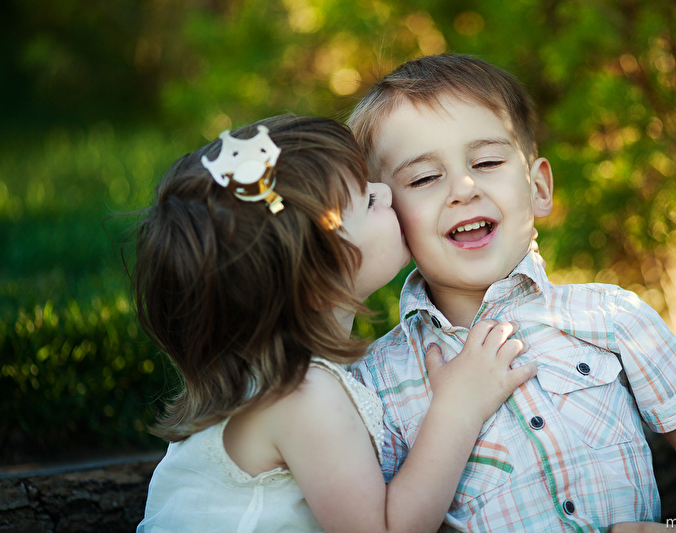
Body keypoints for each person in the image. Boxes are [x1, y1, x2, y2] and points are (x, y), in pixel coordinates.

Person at [348, 54, 676, 532]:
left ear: (539, 187)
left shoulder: (611, 317)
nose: (463, 188)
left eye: (486, 162)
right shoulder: (374, 382)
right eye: (423, 178)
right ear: (391, 219)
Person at [133, 115, 537, 533]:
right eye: (368, 200)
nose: (386, 191)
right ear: (317, 277)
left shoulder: (266, 380)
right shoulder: (302, 395)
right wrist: (458, 407)